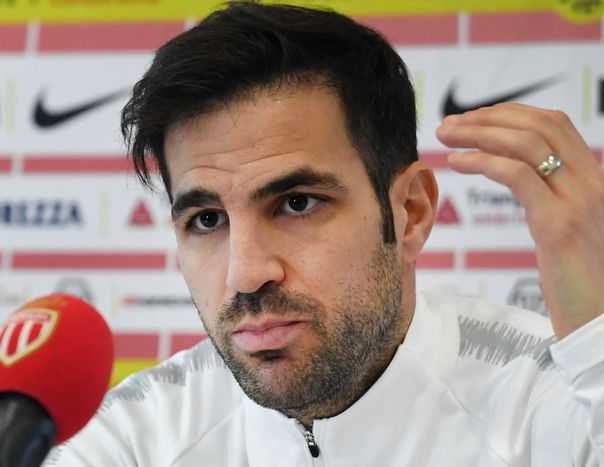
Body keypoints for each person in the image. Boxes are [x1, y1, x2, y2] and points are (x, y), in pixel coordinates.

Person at [45, 2, 604, 465]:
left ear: (410, 213)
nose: (246, 274)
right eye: (208, 220)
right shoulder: (136, 436)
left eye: (296, 203)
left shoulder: (555, 402)